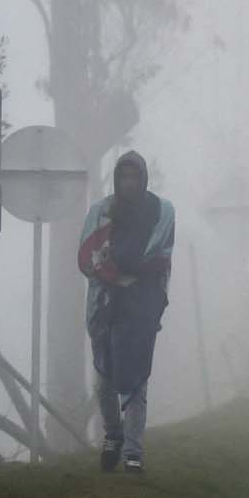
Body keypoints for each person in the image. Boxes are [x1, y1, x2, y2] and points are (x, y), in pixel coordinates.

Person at [78, 150, 175, 474]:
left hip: (141, 306)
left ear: (143, 179)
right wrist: (116, 274)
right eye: (124, 176)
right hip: (106, 306)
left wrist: (131, 274)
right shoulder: (101, 212)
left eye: (135, 176)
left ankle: (133, 450)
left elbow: (159, 256)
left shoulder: (160, 212)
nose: (129, 183)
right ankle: (113, 434)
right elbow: (89, 258)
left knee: (137, 379)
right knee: (103, 378)